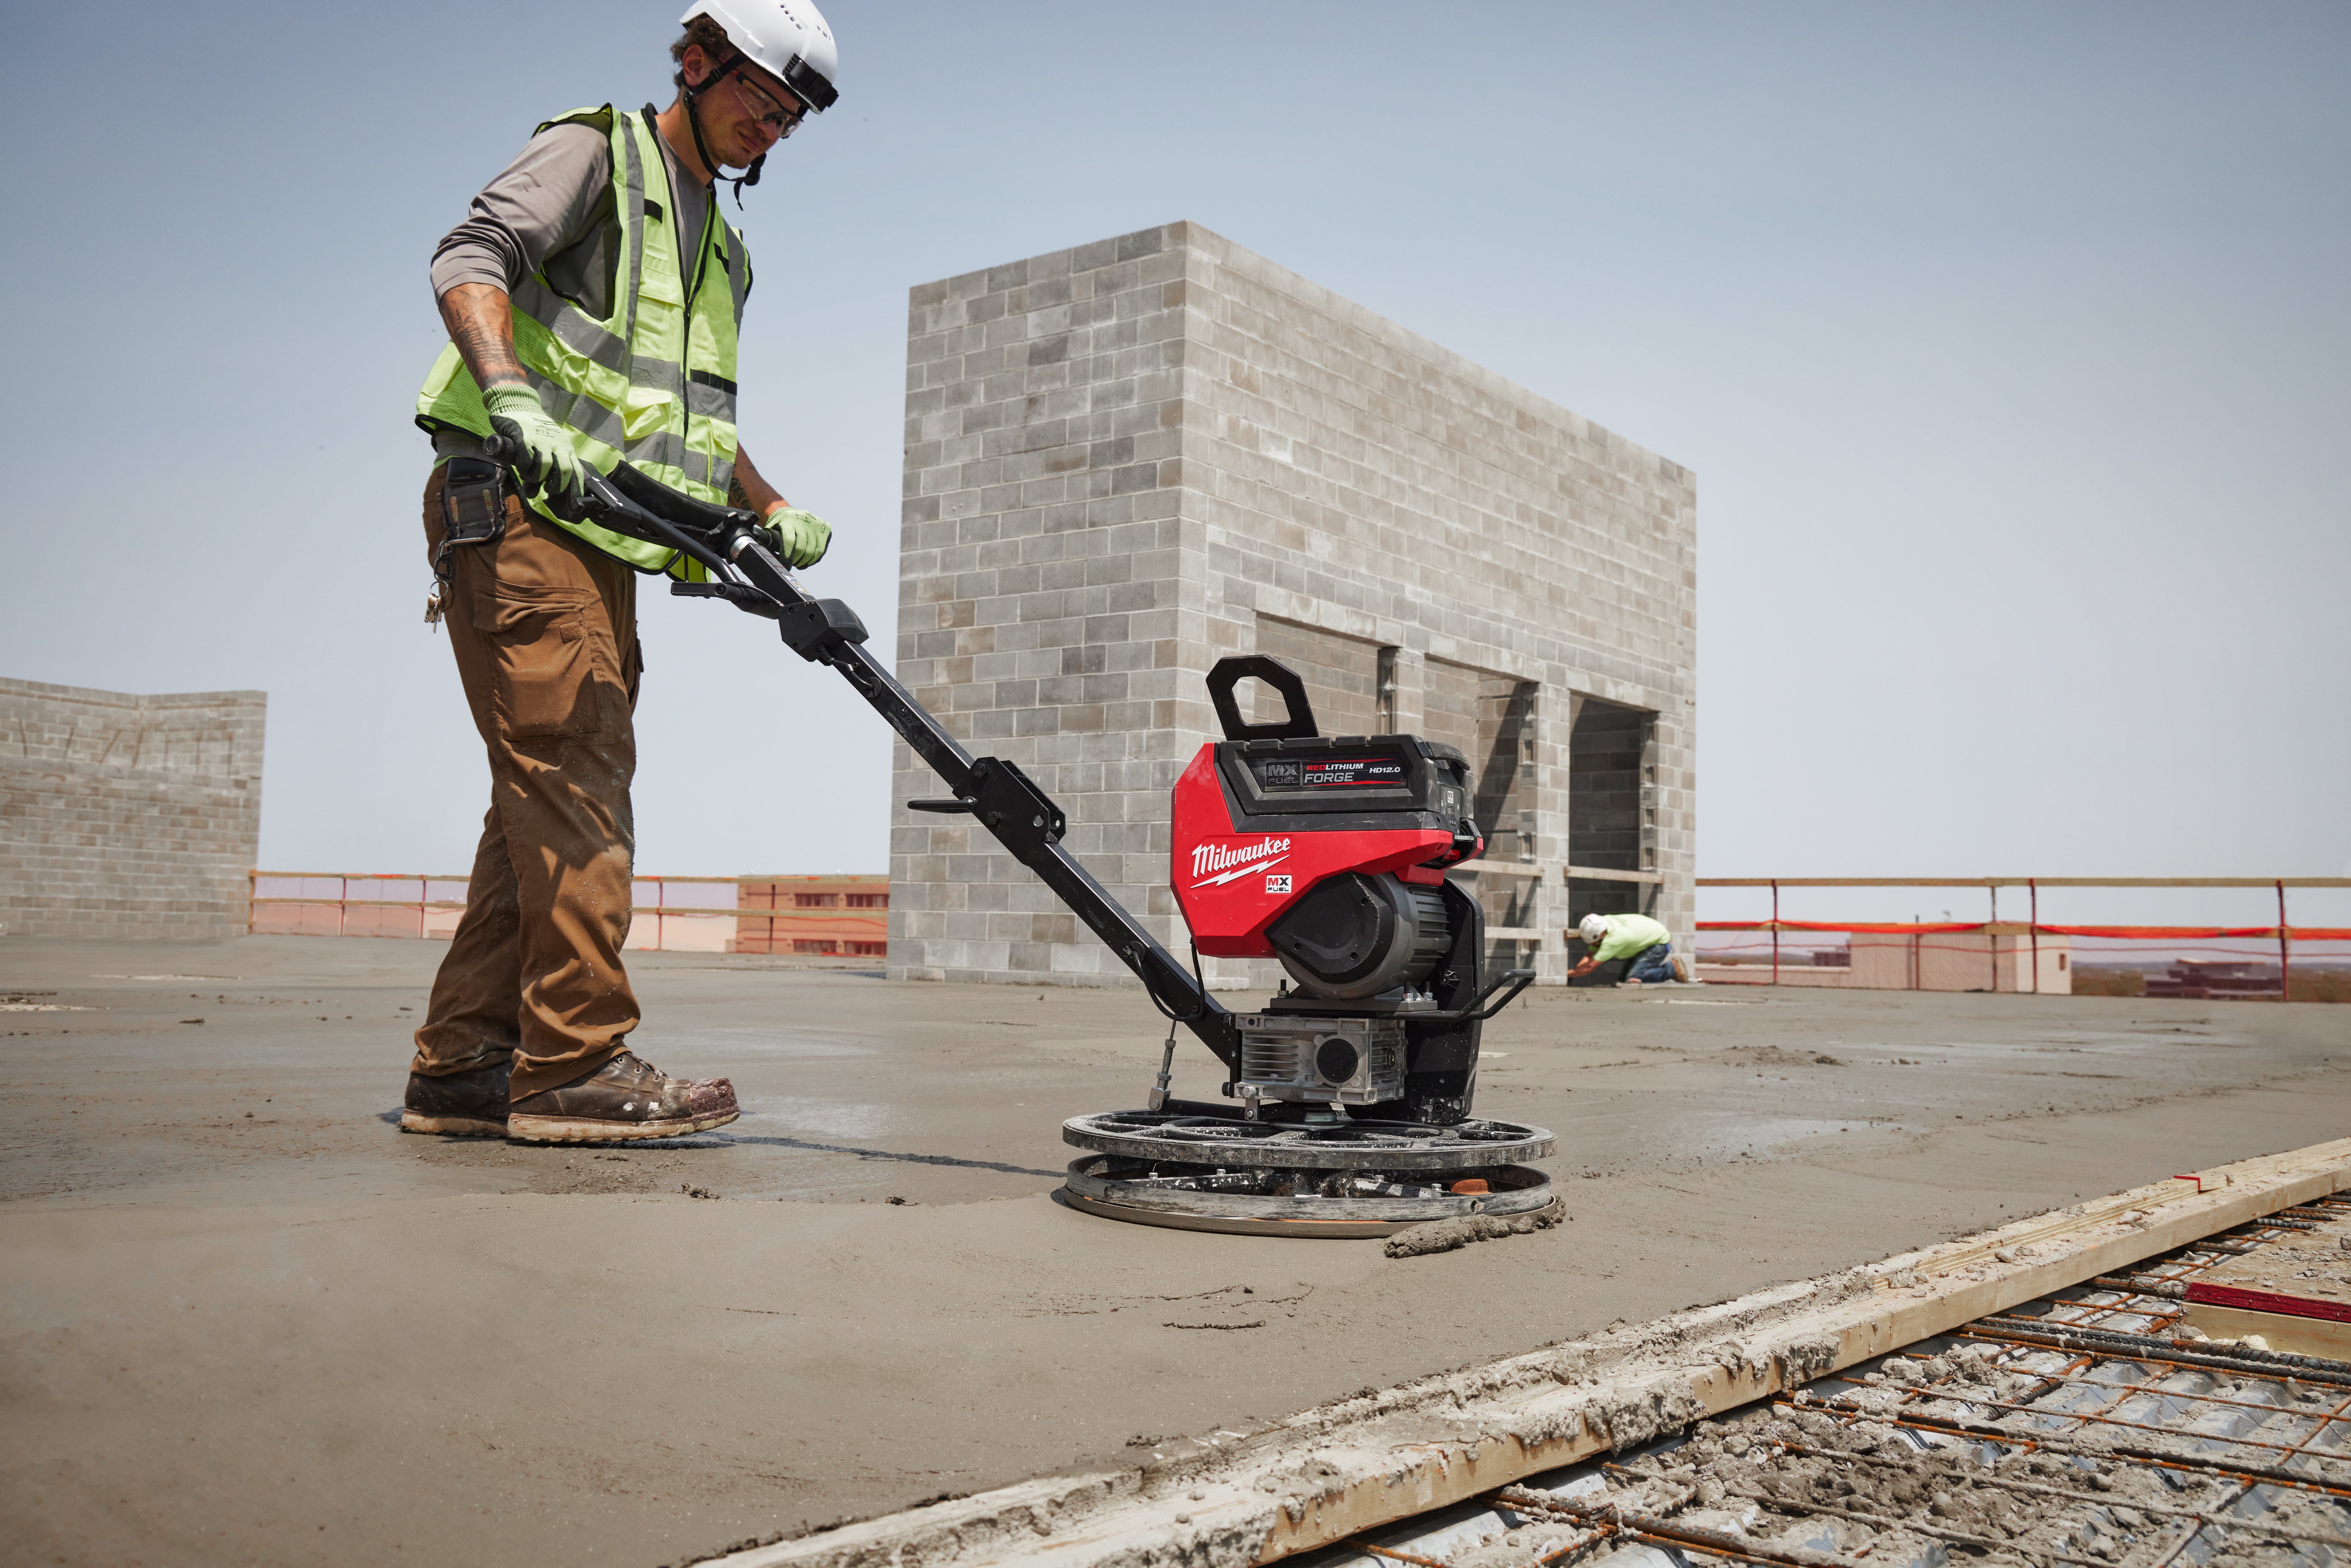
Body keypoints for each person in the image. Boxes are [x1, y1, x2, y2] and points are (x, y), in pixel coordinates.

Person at [399, 1, 842, 1143]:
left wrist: (768, 507)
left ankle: (464, 1064)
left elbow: (684, 417)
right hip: (513, 503)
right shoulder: (597, 153)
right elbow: (471, 255)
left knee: (542, 790)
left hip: (606, 537)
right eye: (760, 97)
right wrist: (505, 391)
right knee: (578, 771)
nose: (772, 129)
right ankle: (575, 1063)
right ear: (697, 67)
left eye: (791, 118)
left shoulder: (725, 246)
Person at [1568, 911, 1693, 987]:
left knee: (1635, 978)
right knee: (1624, 981)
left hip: (1659, 944)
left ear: (1601, 935)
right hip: (1649, 939)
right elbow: (1589, 956)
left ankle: (1671, 969)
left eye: (1596, 943)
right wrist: (1572, 974)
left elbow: (1590, 966)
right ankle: (1668, 969)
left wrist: (1567, 975)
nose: (1596, 946)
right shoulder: (1604, 924)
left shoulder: (1614, 940)